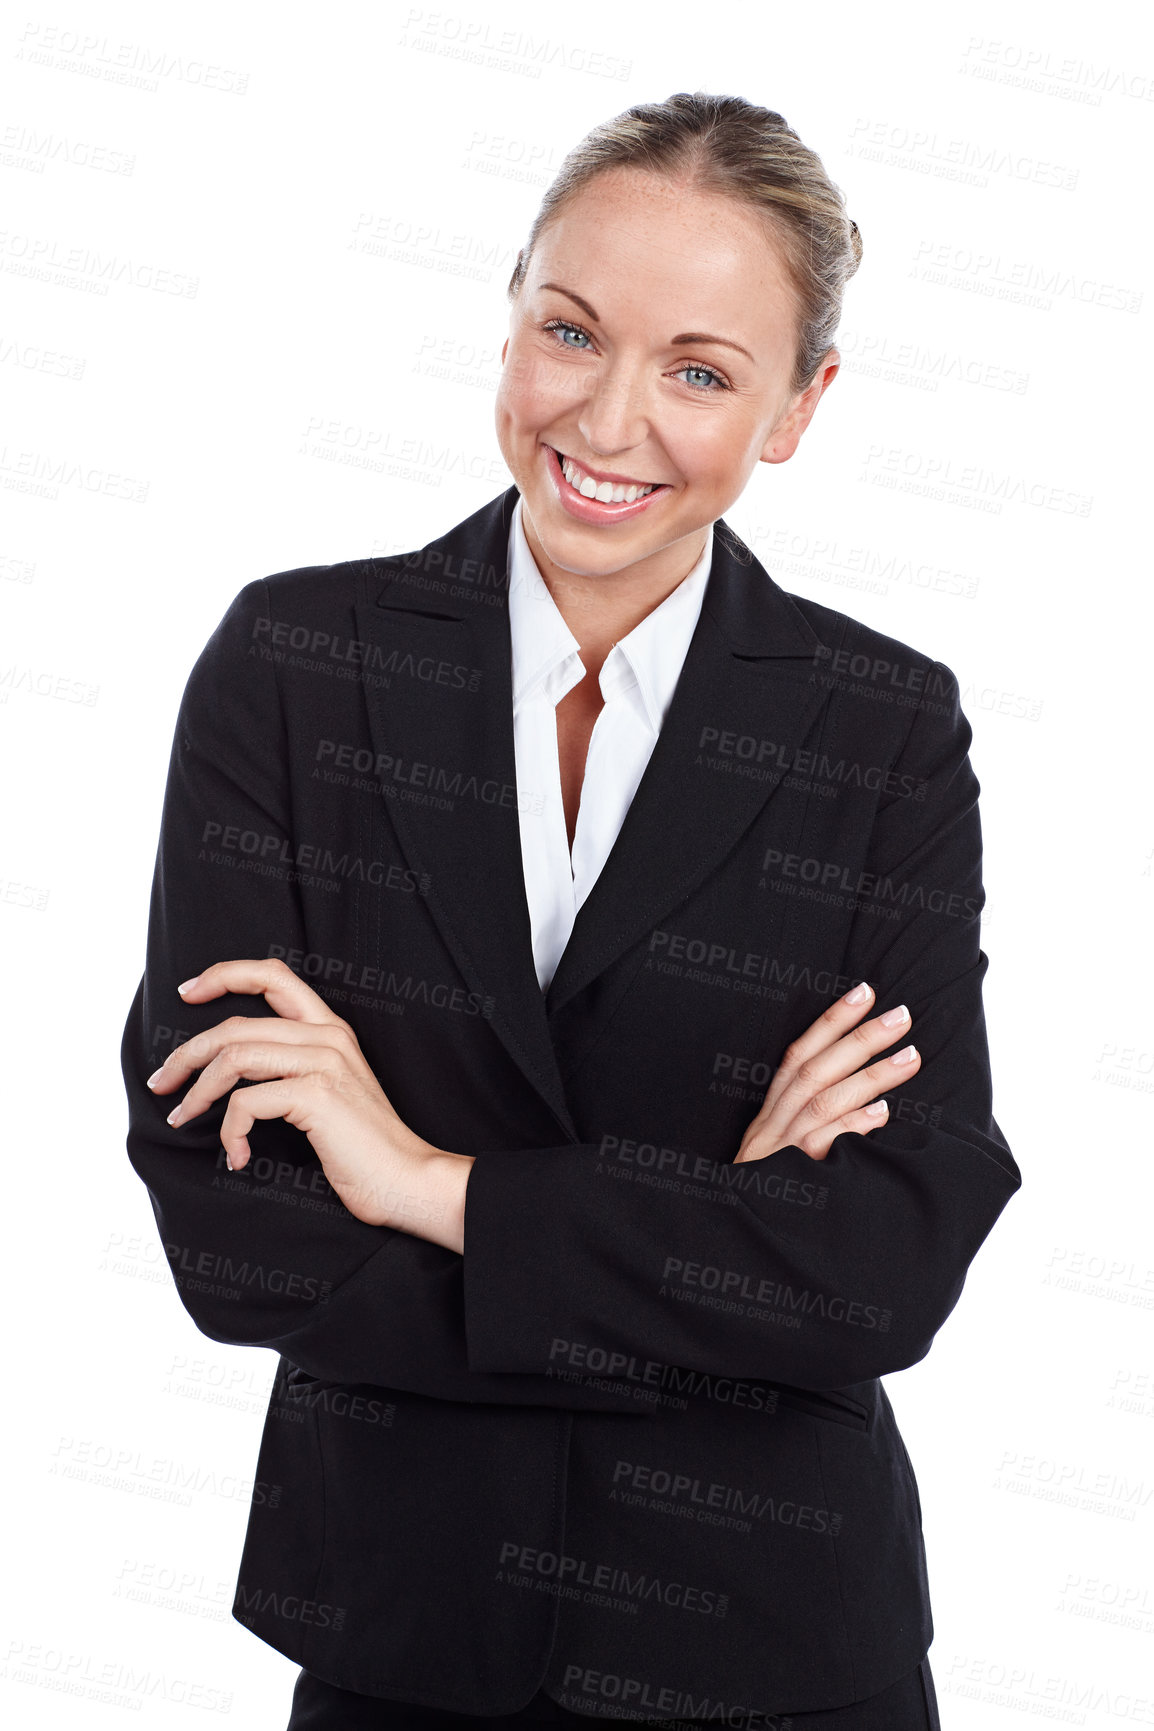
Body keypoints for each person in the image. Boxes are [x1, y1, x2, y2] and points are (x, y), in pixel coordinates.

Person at [121, 91, 1021, 1729]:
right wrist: (715, 1254)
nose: (606, 422)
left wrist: (416, 1179)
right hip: (403, 1635)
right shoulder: (297, 668)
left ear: (799, 408)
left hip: (773, 1647)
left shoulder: (878, 724)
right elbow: (234, 1230)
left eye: (698, 370)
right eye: (568, 331)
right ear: (514, 314)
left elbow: (883, 1261)